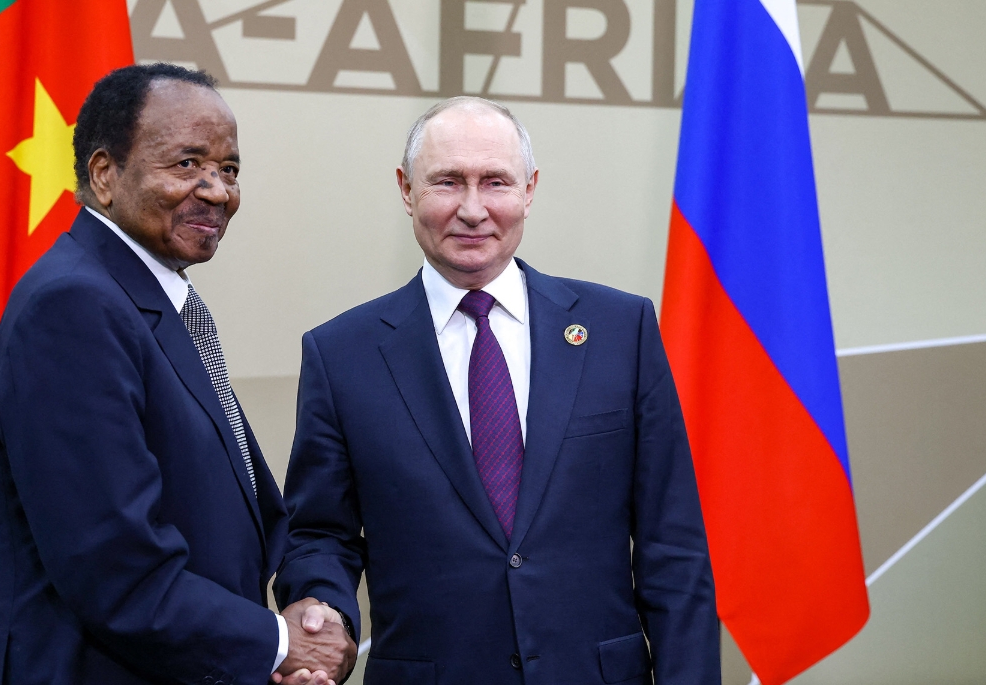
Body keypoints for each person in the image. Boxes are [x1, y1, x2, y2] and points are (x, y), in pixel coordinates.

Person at [274, 96, 720, 684]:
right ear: (406, 190)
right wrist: (322, 608)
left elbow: (674, 548)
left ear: (530, 189)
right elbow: (319, 533)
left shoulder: (621, 331)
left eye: (495, 182)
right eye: (447, 182)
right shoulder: (341, 354)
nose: (473, 209)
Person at [0, 64, 355, 685]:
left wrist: (312, 603)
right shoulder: (73, 307)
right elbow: (114, 570)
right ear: (103, 175)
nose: (217, 190)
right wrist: (281, 644)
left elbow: (245, 513)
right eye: (187, 164)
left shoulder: (150, 301)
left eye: (228, 169)